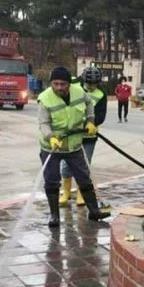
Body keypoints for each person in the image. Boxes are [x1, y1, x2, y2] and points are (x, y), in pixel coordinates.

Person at [38, 66, 110, 228]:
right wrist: (51, 137)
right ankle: (54, 216)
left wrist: (91, 120)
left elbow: (89, 104)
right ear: (51, 84)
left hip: (74, 145)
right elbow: (43, 123)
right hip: (52, 147)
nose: (59, 88)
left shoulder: (79, 92)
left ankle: (94, 211)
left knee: (84, 176)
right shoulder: (45, 99)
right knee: (51, 181)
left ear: (69, 83)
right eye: (55, 84)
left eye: (62, 84)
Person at [60, 66, 108, 207]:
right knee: (66, 165)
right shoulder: (74, 86)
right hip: (70, 134)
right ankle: (66, 192)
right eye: (89, 84)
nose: (91, 87)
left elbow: (100, 115)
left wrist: (91, 123)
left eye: (94, 84)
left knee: (84, 166)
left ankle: (82, 194)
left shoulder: (101, 95)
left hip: (88, 136)